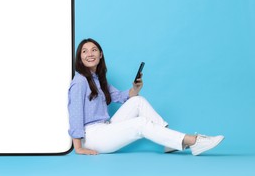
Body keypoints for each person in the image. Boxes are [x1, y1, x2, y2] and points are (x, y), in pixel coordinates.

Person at [68, 38, 224, 155]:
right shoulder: (80, 81)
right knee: (140, 124)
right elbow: (74, 114)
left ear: (100, 55)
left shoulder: (99, 79)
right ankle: (192, 141)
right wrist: (79, 147)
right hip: (93, 136)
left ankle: (170, 142)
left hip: (105, 127)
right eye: (84, 51)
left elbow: (122, 97)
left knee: (138, 101)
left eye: (94, 50)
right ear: (80, 57)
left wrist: (135, 88)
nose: (90, 54)